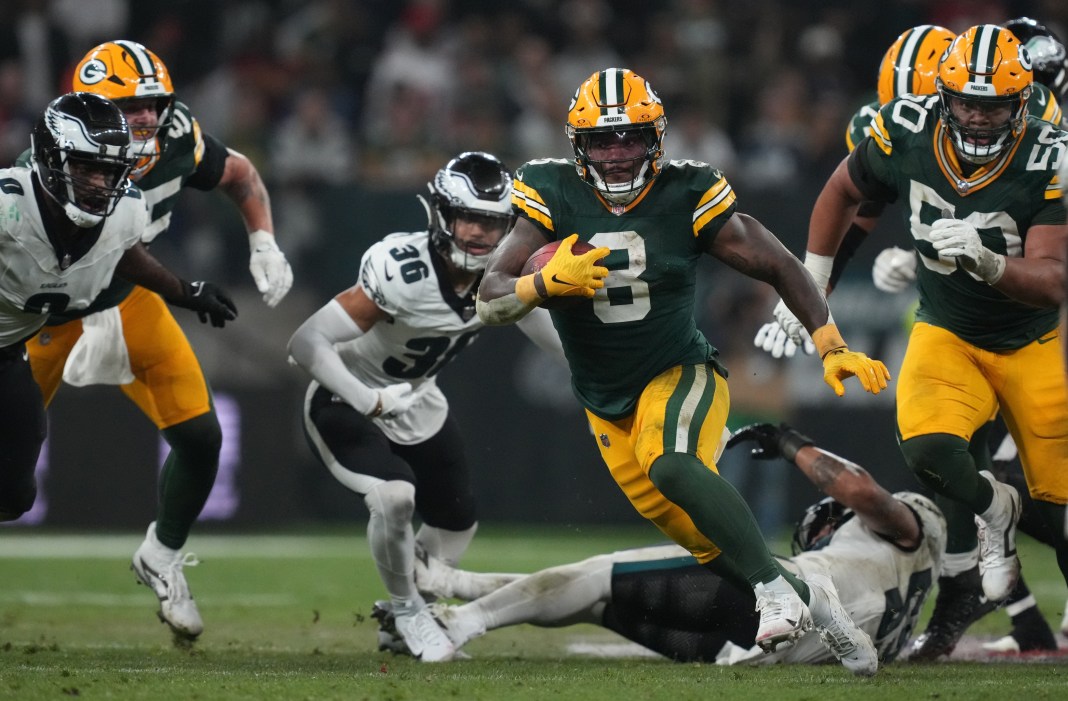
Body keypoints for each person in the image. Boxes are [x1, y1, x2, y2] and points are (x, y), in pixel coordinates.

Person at [475, 67, 890, 676]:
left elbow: (777, 262)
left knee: (673, 462)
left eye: (631, 139)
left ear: (656, 139)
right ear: (577, 144)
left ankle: (773, 596)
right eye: (603, 141)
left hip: (679, 371)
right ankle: (817, 605)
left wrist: (829, 341)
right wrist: (542, 283)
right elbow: (490, 295)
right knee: (710, 543)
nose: (617, 155)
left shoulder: (687, 192)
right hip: (603, 399)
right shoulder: (550, 193)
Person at [760, 23, 1068, 658]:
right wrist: (812, 293)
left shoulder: (1046, 141)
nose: (972, 120)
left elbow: (1049, 269)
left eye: (990, 106)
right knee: (948, 458)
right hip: (951, 320)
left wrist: (983, 261)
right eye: (955, 101)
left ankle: (1008, 590)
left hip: (1037, 320)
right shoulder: (904, 124)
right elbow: (858, 197)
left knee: (1049, 497)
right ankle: (991, 590)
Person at [20, 40, 292, 642]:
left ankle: (162, 555)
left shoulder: (175, 137)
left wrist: (264, 242)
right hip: (47, 309)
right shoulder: (50, 160)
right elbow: (98, 246)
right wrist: (185, 290)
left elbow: (240, 174)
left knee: (200, 436)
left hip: (129, 296)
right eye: (131, 104)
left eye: (155, 103)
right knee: (8, 467)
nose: (147, 116)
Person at [287, 151, 566, 663]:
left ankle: (402, 621)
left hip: (417, 398)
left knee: (458, 521)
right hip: (345, 395)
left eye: (492, 222)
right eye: (469, 218)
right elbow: (306, 344)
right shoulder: (403, 270)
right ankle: (408, 608)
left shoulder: (500, 278)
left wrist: (619, 371)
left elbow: (560, 345)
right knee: (395, 499)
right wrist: (368, 400)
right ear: (442, 215)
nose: (480, 234)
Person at [375, 423, 945, 667]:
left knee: (599, 575)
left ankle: (455, 620)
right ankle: (452, 589)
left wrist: (789, 441)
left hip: (773, 604)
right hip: (762, 651)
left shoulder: (910, 527)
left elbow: (863, 491)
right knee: (596, 602)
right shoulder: (905, 587)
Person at [1, 94, 235, 532]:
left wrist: (185, 291)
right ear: (51, 160)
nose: (99, 183)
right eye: (86, 167)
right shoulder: (8, 205)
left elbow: (125, 252)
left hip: (9, 353)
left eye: (109, 170)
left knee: (13, 495)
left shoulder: (124, 210)